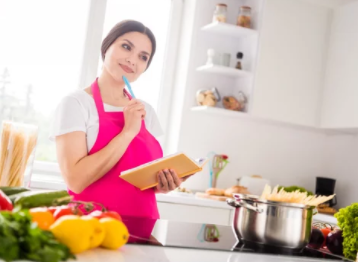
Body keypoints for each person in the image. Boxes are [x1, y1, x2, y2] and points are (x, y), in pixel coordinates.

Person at [50, 20, 189, 219]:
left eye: (143, 57)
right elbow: (76, 180)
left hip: (143, 228)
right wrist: (128, 133)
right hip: (89, 229)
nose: (133, 60)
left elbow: (138, 182)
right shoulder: (76, 104)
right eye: (126, 47)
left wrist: (164, 183)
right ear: (106, 47)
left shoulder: (145, 111)